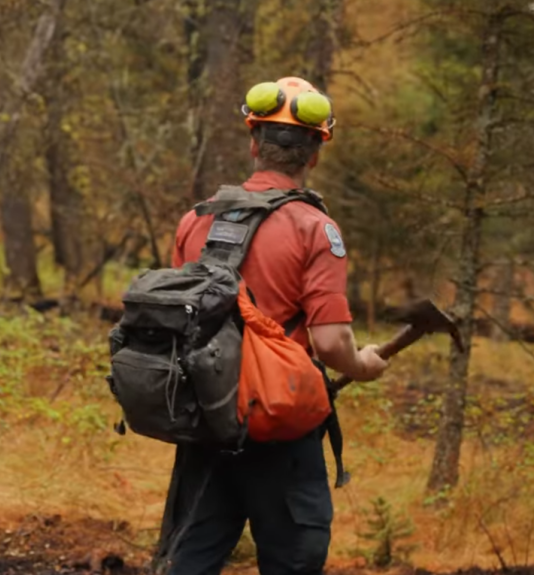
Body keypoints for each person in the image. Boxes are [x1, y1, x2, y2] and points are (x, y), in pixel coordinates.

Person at [159, 77, 390, 574]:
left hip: (208, 420)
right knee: (292, 561)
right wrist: (364, 365)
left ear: (253, 144)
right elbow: (330, 342)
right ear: (314, 154)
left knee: (190, 559)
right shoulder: (316, 229)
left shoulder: (195, 220)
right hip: (281, 426)